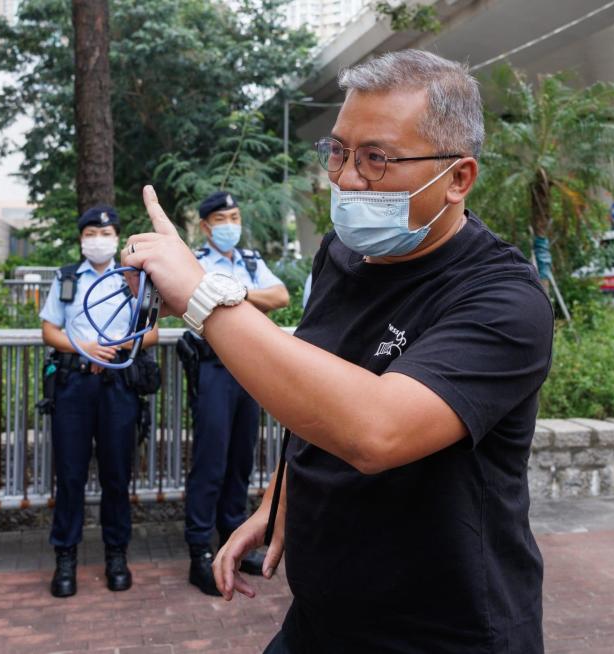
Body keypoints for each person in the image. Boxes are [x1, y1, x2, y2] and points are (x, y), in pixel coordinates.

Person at [122, 49, 554, 652]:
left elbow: (375, 430)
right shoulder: (341, 254)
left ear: (459, 177)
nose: (349, 178)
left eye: (377, 158)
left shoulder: (503, 299)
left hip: (444, 632)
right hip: (322, 616)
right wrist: (277, 504)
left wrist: (203, 297)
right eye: (339, 152)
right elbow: (317, 389)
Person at [39, 205, 159, 597]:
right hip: (74, 385)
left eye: (106, 233)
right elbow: (48, 330)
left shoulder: (134, 279)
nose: (98, 239)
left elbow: (153, 331)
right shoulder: (67, 278)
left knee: (116, 475)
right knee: (70, 476)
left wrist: (119, 344)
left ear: (117, 239)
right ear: (81, 239)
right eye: (91, 232)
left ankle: (116, 555)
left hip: (118, 385)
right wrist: (85, 346)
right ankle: (66, 558)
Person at [179, 191, 289, 596]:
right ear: (206, 226)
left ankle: (233, 538)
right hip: (212, 369)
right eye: (222, 219)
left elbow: (280, 297)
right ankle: (198, 552)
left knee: (241, 457)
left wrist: (233, 295)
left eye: (235, 216)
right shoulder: (194, 263)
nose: (230, 224)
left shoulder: (251, 262)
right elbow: (192, 300)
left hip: (250, 371)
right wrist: (246, 299)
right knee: (211, 460)